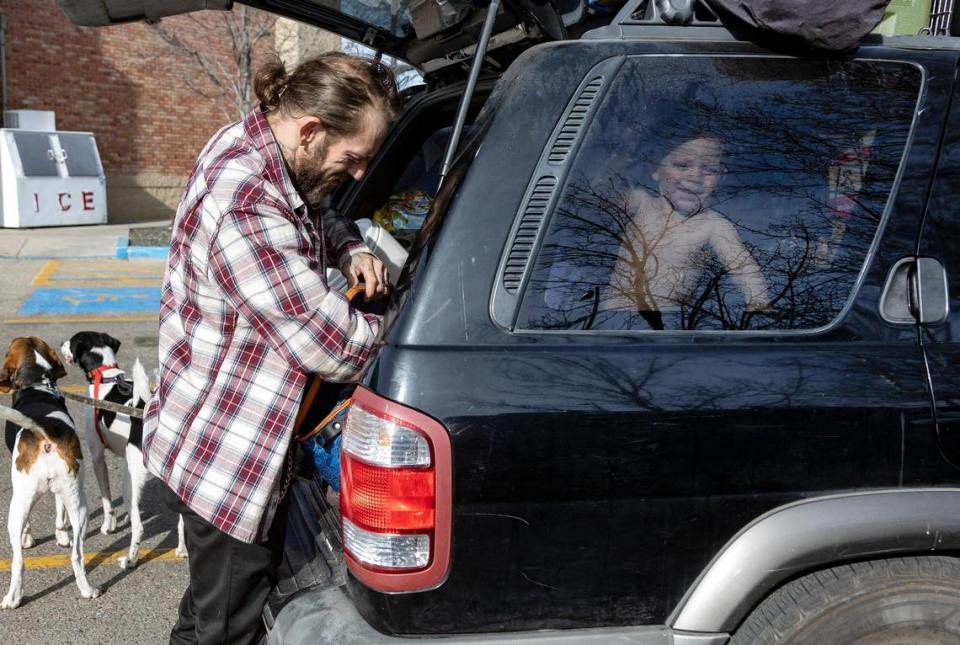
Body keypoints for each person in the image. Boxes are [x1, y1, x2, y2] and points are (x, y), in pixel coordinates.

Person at [141, 52, 401, 644]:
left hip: (220, 435)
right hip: (230, 455)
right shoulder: (245, 202)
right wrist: (408, 326)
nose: (360, 174)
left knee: (210, 613)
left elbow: (317, 204)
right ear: (310, 130)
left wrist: (349, 248)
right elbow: (329, 342)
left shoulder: (265, 148)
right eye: (352, 158)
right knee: (229, 630)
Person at [603, 133, 770, 329]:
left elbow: (744, 268)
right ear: (655, 169)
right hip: (608, 317)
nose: (695, 176)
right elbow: (601, 189)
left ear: (722, 177)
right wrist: (621, 150)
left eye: (709, 169)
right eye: (682, 165)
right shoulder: (641, 204)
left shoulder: (714, 224)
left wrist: (759, 304)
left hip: (667, 322)